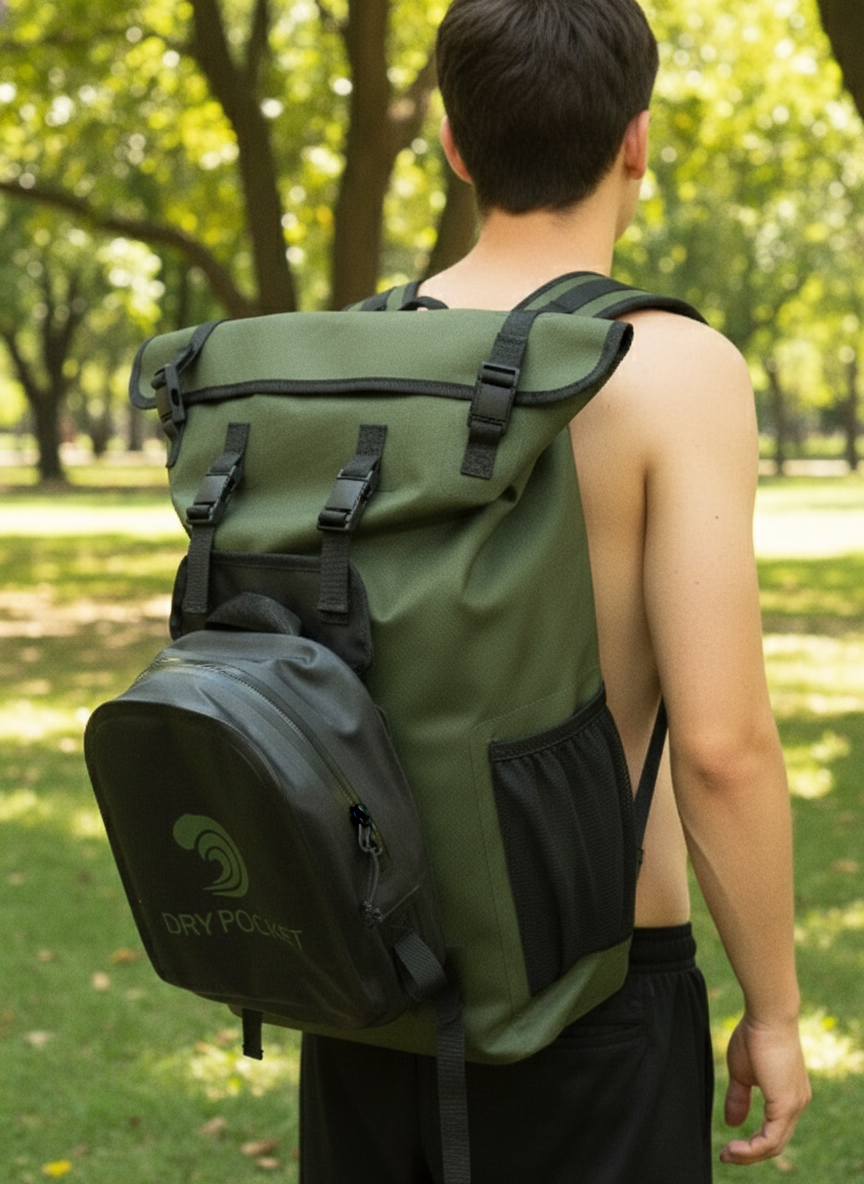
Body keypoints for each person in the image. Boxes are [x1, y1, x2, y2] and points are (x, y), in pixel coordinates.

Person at [300, 1, 811, 1180]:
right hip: (596, 984)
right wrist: (775, 1009)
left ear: (455, 144)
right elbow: (723, 744)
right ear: (636, 139)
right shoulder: (671, 367)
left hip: (375, 975)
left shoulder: (357, 356)